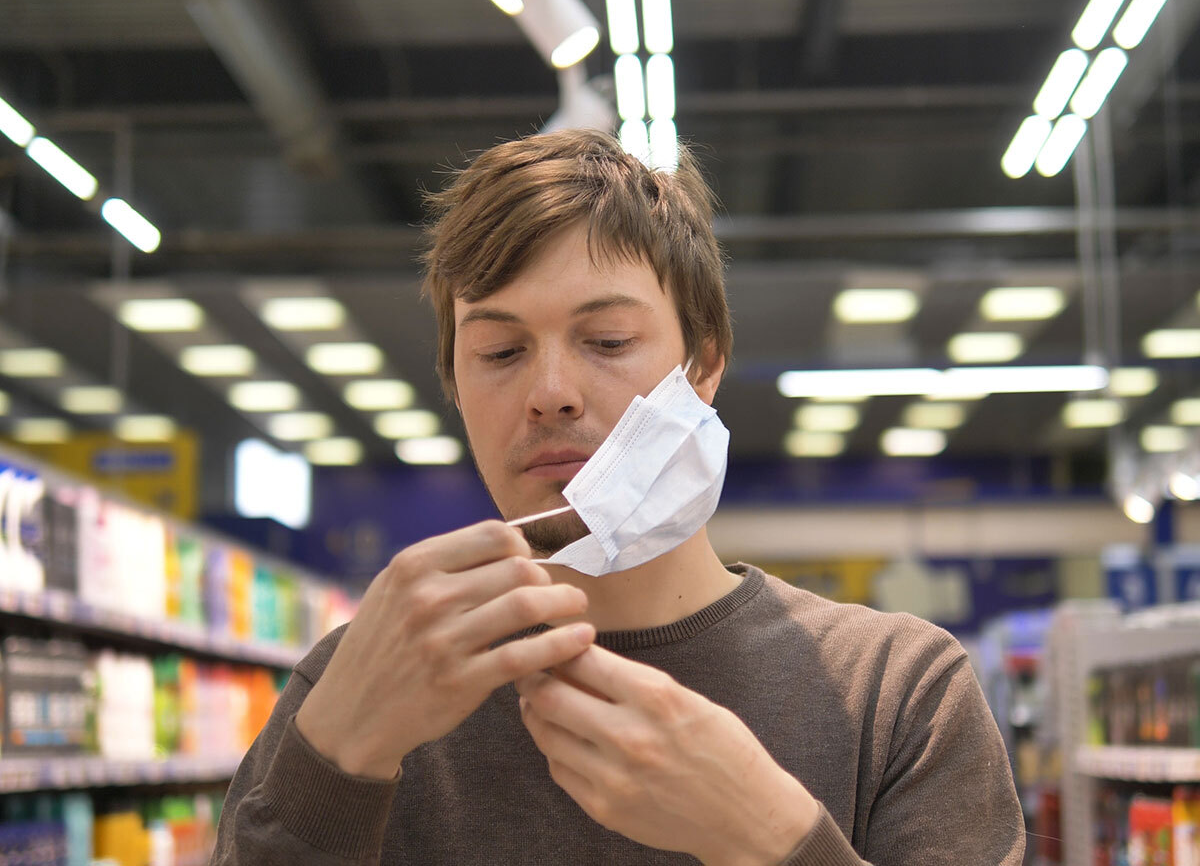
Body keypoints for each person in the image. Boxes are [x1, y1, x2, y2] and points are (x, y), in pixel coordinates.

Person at [211, 130, 1024, 865]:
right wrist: (335, 762)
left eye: (606, 341)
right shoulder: (365, 676)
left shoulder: (894, 690)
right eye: (499, 350)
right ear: (454, 385)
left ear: (702, 363)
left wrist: (767, 834)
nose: (551, 391)